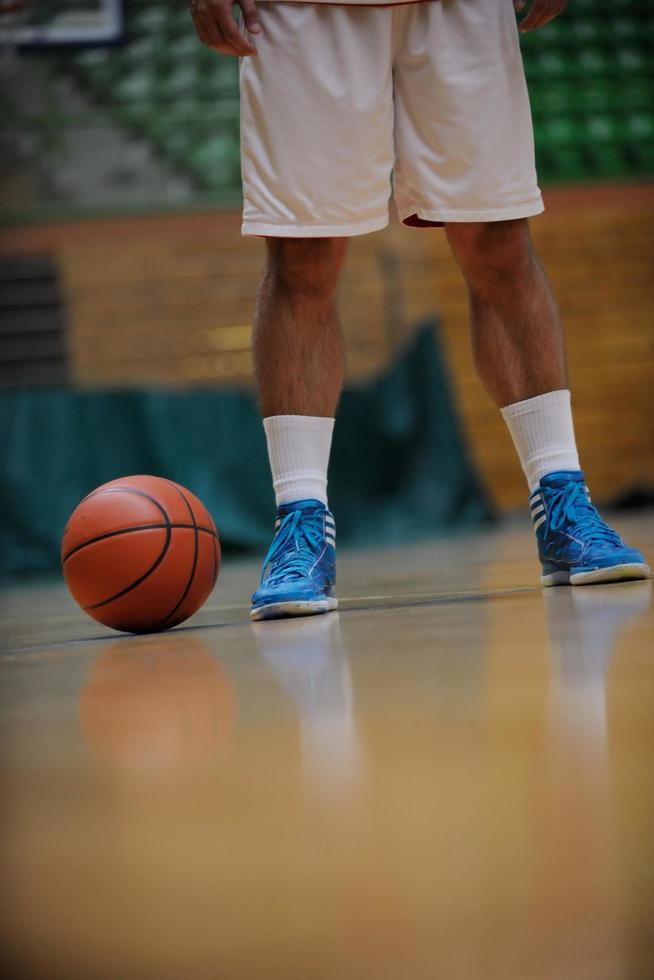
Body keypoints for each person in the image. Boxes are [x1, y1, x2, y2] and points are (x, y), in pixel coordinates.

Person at [190, 0, 650, 621]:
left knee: (499, 241)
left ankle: (562, 498)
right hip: (301, 10)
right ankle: (300, 523)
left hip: (460, 8)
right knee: (304, 255)